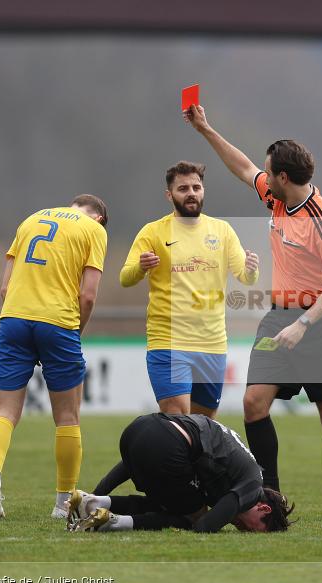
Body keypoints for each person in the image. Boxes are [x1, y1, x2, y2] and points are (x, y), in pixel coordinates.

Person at [184, 104, 322, 522]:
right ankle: (269, 494)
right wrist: (206, 129)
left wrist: (303, 323)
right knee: (253, 403)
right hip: (278, 317)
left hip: (318, 322)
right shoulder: (276, 198)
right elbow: (242, 166)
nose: (261, 176)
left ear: (283, 177)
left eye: (268, 171)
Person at [92, 161, 258, 497]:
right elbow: (124, 278)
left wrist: (252, 268)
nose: (191, 193)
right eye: (183, 188)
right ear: (170, 194)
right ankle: (166, 494)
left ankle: (187, 493)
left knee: (203, 431)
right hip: (169, 341)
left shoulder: (222, 231)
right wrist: (140, 267)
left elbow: (245, 276)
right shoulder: (154, 232)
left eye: (196, 187)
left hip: (212, 344)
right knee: (176, 423)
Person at [0, 195, 108, 519]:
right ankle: (62, 504)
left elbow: (5, 288)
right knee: (67, 417)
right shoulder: (94, 231)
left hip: (13, 319)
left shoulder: (30, 219)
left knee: (5, 411)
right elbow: (88, 295)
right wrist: (73, 333)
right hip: (58, 321)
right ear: (98, 217)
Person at [66, 413, 294, 533]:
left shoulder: (237, 472)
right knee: (193, 515)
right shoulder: (253, 486)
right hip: (168, 443)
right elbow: (204, 526)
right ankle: (112, 523)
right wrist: (212, 519)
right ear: (263, 508)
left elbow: (132, 461)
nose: (242, 529)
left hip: (138, 429)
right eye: (251, 529)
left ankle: (93, 503)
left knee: (172, 503)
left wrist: (97, 492)